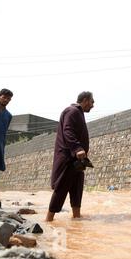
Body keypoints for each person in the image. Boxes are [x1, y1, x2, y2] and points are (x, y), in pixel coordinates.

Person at [46, 92, 94, 222]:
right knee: (61, 187)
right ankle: (48, 219)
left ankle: (76, 217)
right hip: (68, 158)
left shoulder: (78, 113)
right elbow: (68, 130)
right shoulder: (72, 111)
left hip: (77, 160)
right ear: (85, 100)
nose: (93, 105)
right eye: (92, 102)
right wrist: (77, 148)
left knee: (77, 187)